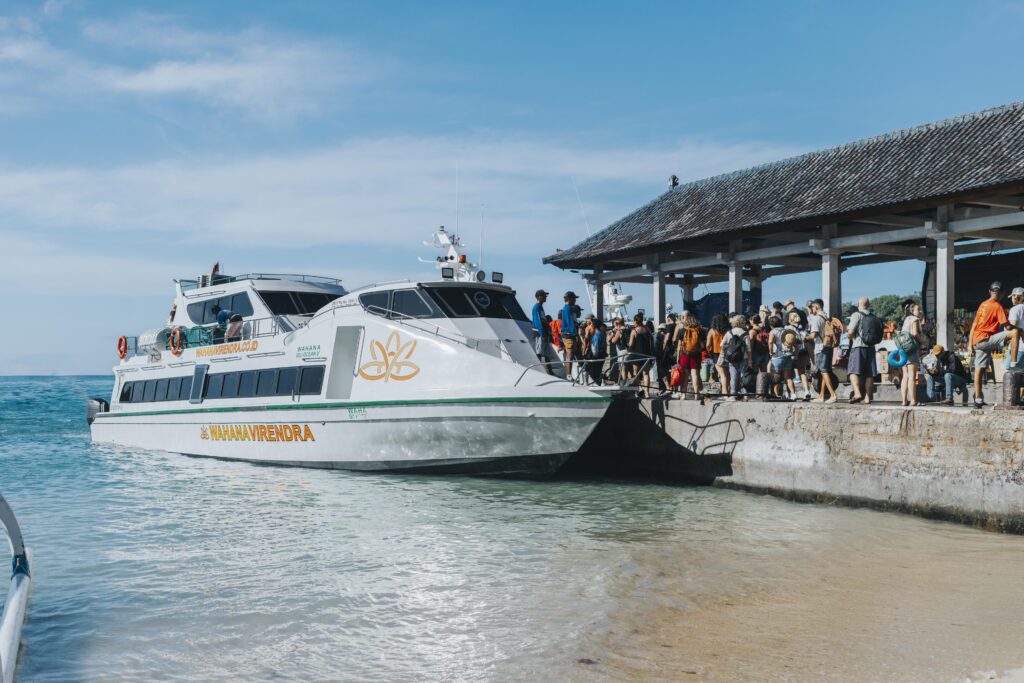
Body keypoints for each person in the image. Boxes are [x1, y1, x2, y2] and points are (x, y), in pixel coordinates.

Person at [967, 281, 1018, 408]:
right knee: (1014, 333)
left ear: (990, 292)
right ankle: (1013, 363)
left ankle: (978, 399)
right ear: (1002, 293)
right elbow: (1007, 327)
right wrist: (1020, 330)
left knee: (979, 370)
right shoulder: (997, 306)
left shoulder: (982, 304)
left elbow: (974, 325)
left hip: (977, 341)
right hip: (986, 340)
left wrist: (969, 345)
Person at [847, 296, 881, 404]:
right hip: (871, 347)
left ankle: (857, 393)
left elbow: (850, 332)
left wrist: (850, 337)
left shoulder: (856, 315)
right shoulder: (873, 316)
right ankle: (867, 398)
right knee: (869, 374)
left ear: (858, 304)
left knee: (853, 371)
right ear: (868, 305)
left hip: (858, 347)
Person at [807, 299, 838, 403]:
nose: (811, 309)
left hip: (821, 347)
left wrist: (805, 337)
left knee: (823, 371)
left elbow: (813, 335)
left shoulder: (816, 318)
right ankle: (821, 396)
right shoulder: (826, 317)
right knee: (825, 371)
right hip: (828, 346)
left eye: (812, 307)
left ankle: (833, 395)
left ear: (817, 307)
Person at [897, 302, 927, 406]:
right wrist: (923, 341)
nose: (920, 311)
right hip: (912, 350)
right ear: (912, 311)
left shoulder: (906, 320)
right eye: (918, 309)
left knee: (905, 376)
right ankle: (913, 400)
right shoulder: (915, 319)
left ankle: (904, 401)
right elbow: (915, 333)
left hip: (903, 350)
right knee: (912, 376)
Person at [719, 314, 751, 399]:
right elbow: (748, 349)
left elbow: (721, 345)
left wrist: (729, 349)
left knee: (733, 376)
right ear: (742, 323)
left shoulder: (729, 333)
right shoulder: (745, 333)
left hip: (732, 358)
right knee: (743, 376)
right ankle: (745, 394)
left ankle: (733, 394)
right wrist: (750, 360)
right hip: (743, 357)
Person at [768, 315, 797, 399]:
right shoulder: (786, 330)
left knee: (775, 377)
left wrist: (771, 352)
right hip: (787, 355)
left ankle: (777, 395)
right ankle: (793, 394)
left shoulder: (773, 331)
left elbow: (770, 342)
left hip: (777, 356)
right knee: (788, 377)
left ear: (772, 324)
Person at [675, 313, 704, 398]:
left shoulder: (682, 331)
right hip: (696, 355)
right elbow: (703, 345)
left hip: (684, 355)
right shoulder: (699, 331)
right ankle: (697, 394)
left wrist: (678, 357)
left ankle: (683, 394)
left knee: (685, 375)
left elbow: (679, 345)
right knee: (695, 375)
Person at [786, 310, 812, 401]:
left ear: (790, 320)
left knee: (788, 375)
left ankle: (793, 394)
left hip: (789, 355)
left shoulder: (787, 329)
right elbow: (806, 339)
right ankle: (807, 391)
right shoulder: (802, 329)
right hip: (800, 353)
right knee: (802, 373)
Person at [627, 313, 654, 395]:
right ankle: (647, 392)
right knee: (646, 374)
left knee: (636, 373)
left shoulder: (634, 331)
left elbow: (631, 344)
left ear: (635, 321)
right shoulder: (647, 329)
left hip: (637, 355)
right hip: (647, 354)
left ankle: (637, 391)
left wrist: (627, 342)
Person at [707, 313, 729, 394]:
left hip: (716, 354)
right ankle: (729, 391)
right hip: (727, 353)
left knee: (722, 375)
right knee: (727, 374)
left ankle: (725, 392)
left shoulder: (712, 331)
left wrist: (710, 353)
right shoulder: (728, 331)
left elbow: (708, 345)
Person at [560, 292, 579, 379]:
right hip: (568, 334)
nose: (575, 300)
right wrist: (575, 334)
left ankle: (569, 374)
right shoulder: (567, 308)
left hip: (569, 334)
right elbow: (570, 322)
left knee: (570, 354)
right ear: (569, 299)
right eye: (574, 298)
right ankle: (568, 375)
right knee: (569, 354)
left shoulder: (569, 308)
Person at [1006, 286, 1024, 369]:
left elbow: (1013, 328)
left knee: (1010, 370)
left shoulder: (1015, 309)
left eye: (1012, 297)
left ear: (1016, 296)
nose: (1012, 299)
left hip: (1018, 348)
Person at [531, 290, 550, 359]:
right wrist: (542, 334)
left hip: (543, 332)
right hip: (539, 333)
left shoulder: (540, 306)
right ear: (539, 297)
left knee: (544, 352)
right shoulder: (537, 307)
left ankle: (547, 365)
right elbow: (538, 321)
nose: (545, 297)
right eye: (544, 296)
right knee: (539, 352)